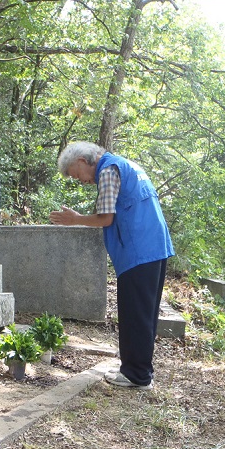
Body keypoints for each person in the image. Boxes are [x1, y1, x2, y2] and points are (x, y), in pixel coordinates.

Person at [50, 141, 174, 388]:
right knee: (144, 314)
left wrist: (75, 220)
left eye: (77, 175)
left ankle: (136, 375)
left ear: (83, 161)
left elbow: (106, 218)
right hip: (155, 245)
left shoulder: (107, 170)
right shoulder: (127, 164)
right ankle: (141, 372)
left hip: (138, 249)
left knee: (134, 314)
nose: (82, 181)